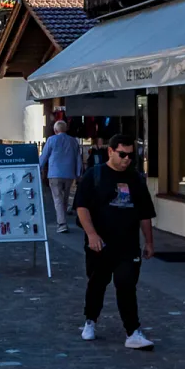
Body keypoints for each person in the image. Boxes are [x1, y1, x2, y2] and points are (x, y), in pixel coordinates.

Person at [75, 135, 156, 350]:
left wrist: (149, 242)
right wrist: (91, 234)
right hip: (100, 244)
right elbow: (81, 207)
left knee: (126, 285)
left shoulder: (136, 179)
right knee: (97, 283)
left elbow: (145, 213)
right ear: (110, 151)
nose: (127, 159)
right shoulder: (95, 175)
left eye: (131, 155)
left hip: (127, 244)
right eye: (122, 154)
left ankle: (133, 331)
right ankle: (90, 320)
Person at [39, 119, 85, 234]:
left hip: (55, 173)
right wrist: (79, 173)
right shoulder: (73, 141)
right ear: (66, 129)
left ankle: (62, 224)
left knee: (58, 198)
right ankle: (62, 220)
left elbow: (44, 156)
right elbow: (78, 158)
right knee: (64, 198)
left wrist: (39, 167)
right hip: (69, 174)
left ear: (55, 130)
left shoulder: (51, 140)